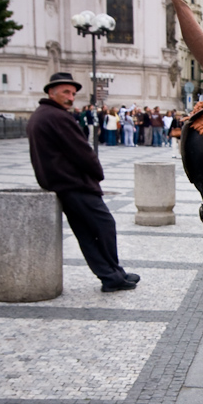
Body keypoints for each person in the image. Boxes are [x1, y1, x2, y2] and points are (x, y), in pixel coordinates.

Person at [25, 72, 141, 292]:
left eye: (73, 93)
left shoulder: (42, 114)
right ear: (51, 92)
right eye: (66, 92)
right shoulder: (57, 117)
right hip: (74, 184)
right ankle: (111, 275)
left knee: (88, 232)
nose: (71, 97)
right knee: (103, 226)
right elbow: (82, 152)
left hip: (61, 183)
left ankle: (113, 273)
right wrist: (97, 173)